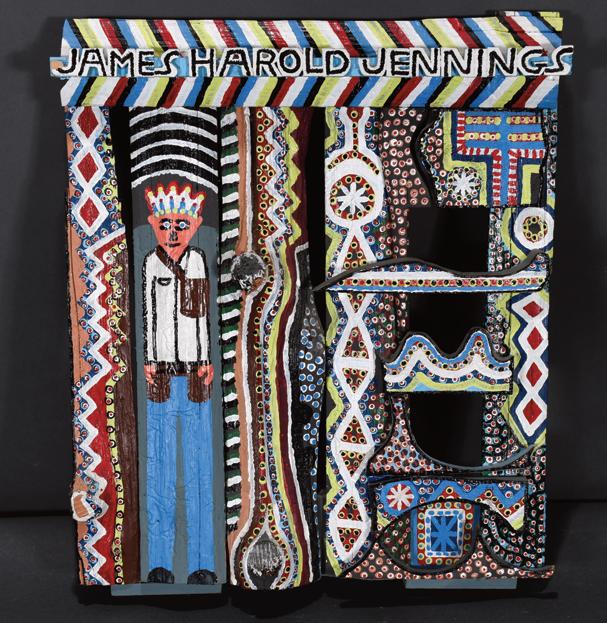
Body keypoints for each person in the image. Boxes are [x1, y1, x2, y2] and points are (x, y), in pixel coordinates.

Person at [142, 181, 216, 584]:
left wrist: (204, 360)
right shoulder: (151, 265)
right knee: (160, 467)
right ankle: (160, 562)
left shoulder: (197, 261)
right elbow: (149, 316)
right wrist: (150, 360)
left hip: (194, 372)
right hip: (161, 373)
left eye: (182, 225)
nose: (172, 233)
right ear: (153, 223)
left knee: (199, 467)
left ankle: (203, 562)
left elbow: (200, 316)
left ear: (196, 225)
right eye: (165, 224)